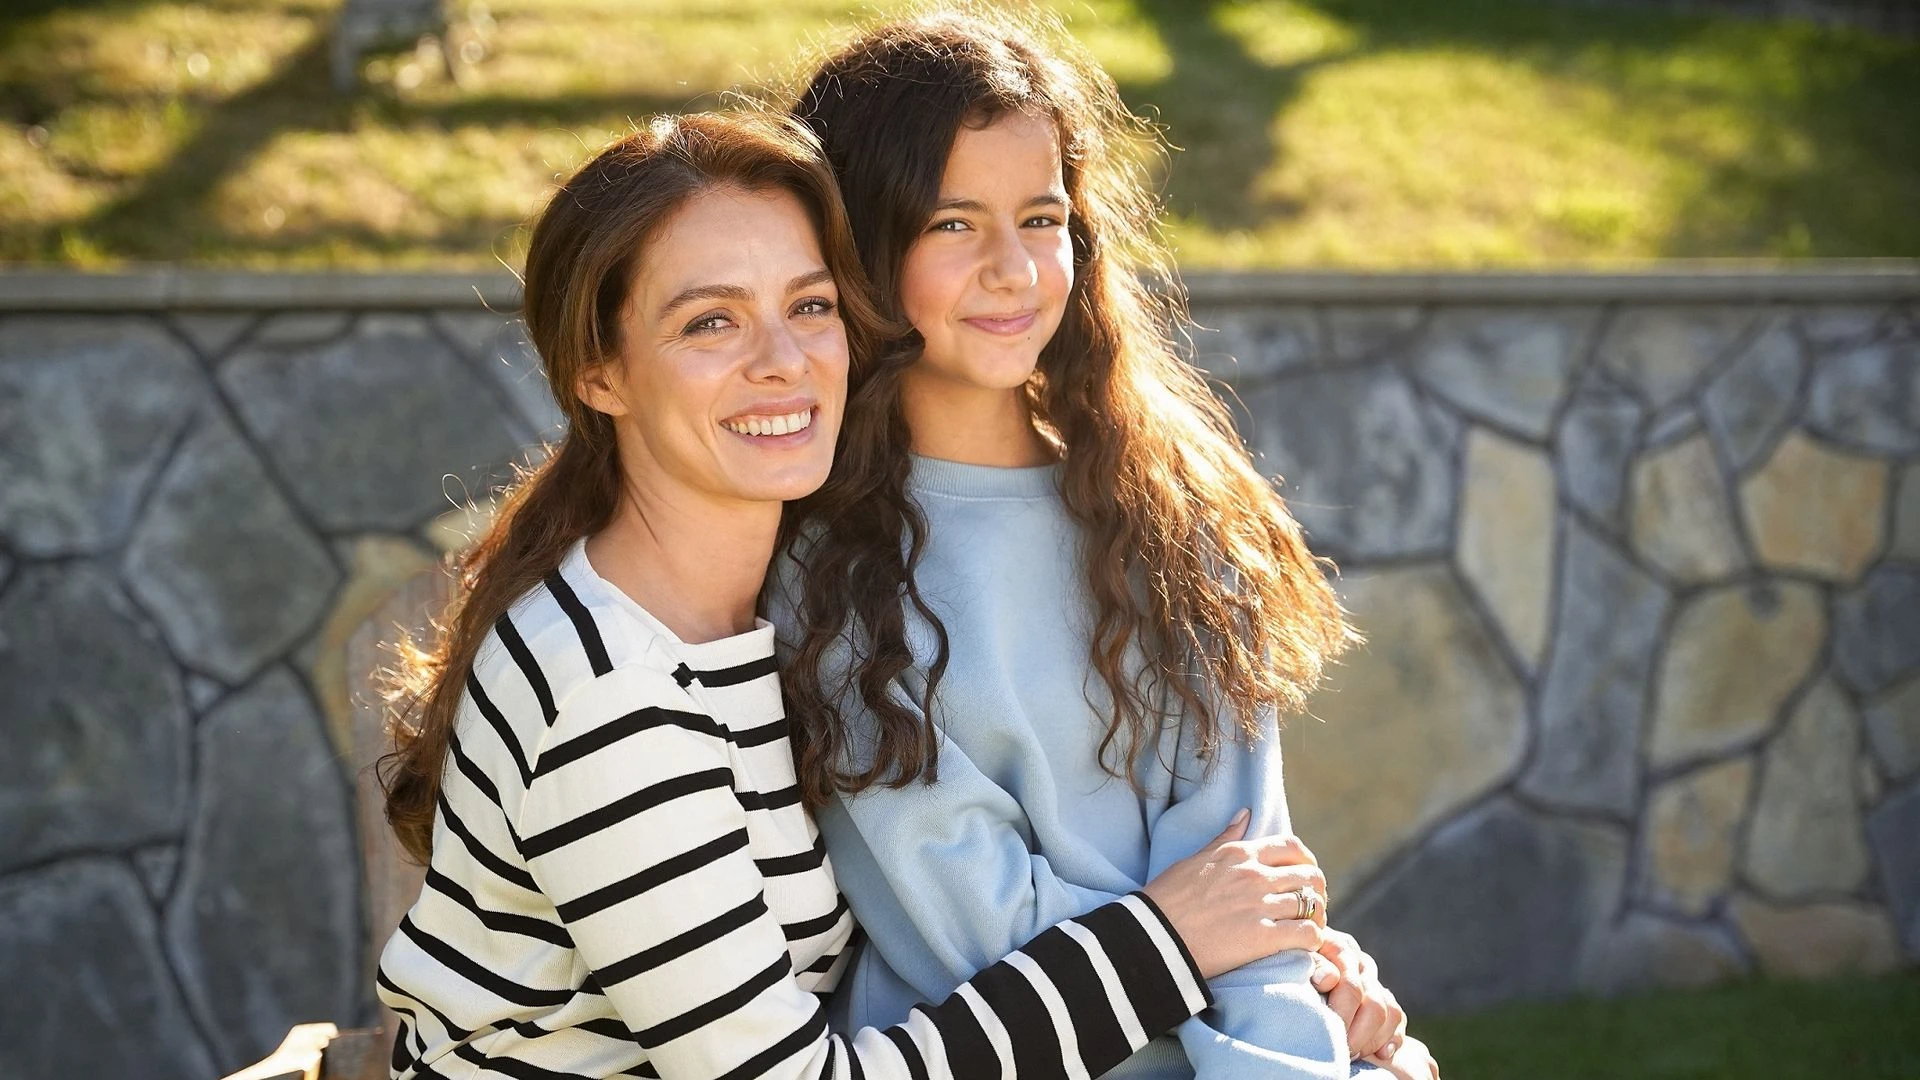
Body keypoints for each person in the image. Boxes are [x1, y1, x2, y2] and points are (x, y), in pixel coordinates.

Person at [372, 110, 1363, 1080]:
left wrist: (1292, 967)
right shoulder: (614, 694)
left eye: (809, 307)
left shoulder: (759, 626)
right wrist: (1171, 943)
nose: (781, 361)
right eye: (710, 320)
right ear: (600, 371)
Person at [774, 10, 1440, 1079]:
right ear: (860, 245)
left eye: (1041, 218)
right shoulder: (831, 571)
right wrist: (1207, 942)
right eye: (952, 224)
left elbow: (1247, 872)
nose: (1012, 268)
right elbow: (972, 930)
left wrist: (1303, 1049)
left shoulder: (1170, 505)